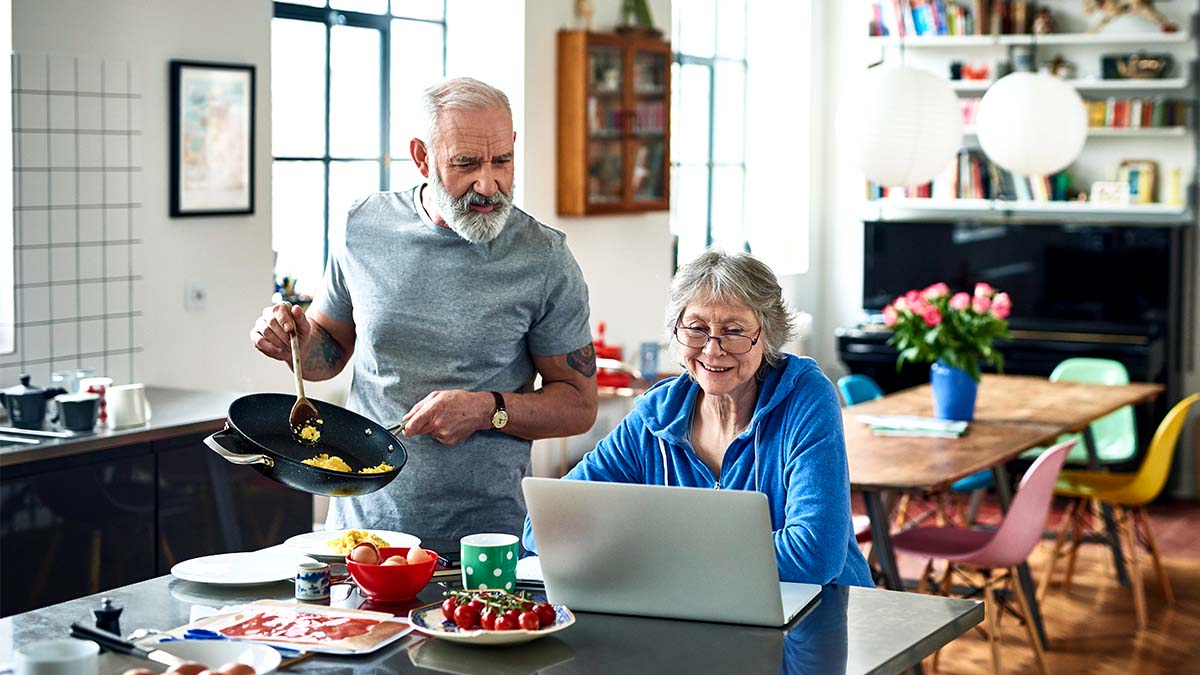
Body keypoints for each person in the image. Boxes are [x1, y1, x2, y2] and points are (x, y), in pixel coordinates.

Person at [251, 77, 599, 543]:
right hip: (362, 535)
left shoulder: (544, 258)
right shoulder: (364, 226)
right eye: (466, 163)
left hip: (485, 541)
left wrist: (486, 409)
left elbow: (578, 405)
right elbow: (328, 354)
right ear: (421, 157)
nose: (488, 183)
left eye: (503, 161)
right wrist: (292, 341)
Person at [523, 250, 873, 587]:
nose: (712, 348)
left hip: (819, 615)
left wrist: (657, 552)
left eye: (734, 331)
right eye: (696, 328)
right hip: (701, 613)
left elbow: (815, 555)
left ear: (768, 335)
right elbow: (542, 526)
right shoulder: (656, 417)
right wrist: (685, 557)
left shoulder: (805, 398)